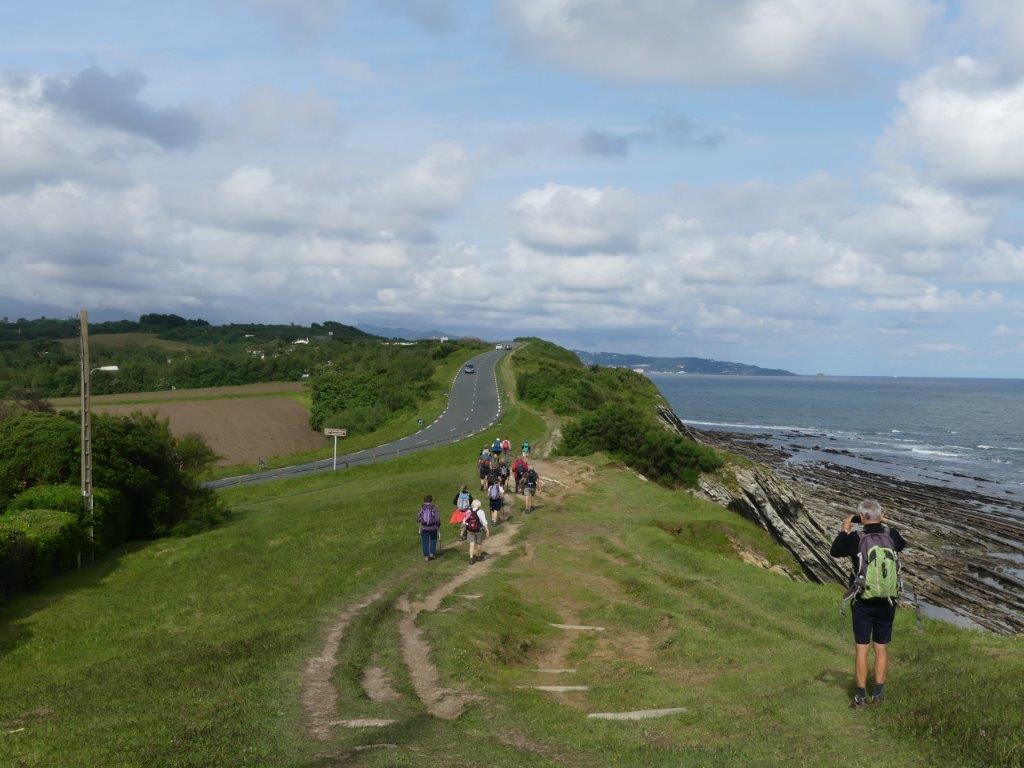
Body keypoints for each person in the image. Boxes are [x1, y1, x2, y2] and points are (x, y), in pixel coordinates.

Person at [830, 498, 907, 709]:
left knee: (862, 648)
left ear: (861, 518)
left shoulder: (856, 537)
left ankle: (860, 698)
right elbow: (902, 545)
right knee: (881, 647)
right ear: (881, 515)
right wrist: (884, 523)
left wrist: (845, 530)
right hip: (887, 600)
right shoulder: (891, 535)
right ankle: (879, 695)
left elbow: (834, 551)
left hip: (863, 600)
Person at [461, 499, 490, 564]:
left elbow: (464, 521)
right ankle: (479, 556)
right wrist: (487, 530)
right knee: (478, 543)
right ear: (479, 505)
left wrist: (464, 530)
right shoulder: (480, 511)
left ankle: (471, 558)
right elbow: (484, 522)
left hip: (470, 530)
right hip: (478, 530)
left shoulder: (468, 511)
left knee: (471, 544)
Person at [417, 495, 441, 562]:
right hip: (433, 528)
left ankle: (426, 556)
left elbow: (417, 519)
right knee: (433, 540)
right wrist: (438, 525)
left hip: (424, 528)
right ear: (431, 501)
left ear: (424, 501)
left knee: (425, 541)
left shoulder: (421, 508)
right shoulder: (434, 508)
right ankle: (432, 554)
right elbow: (438, 519)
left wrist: (421, 521)